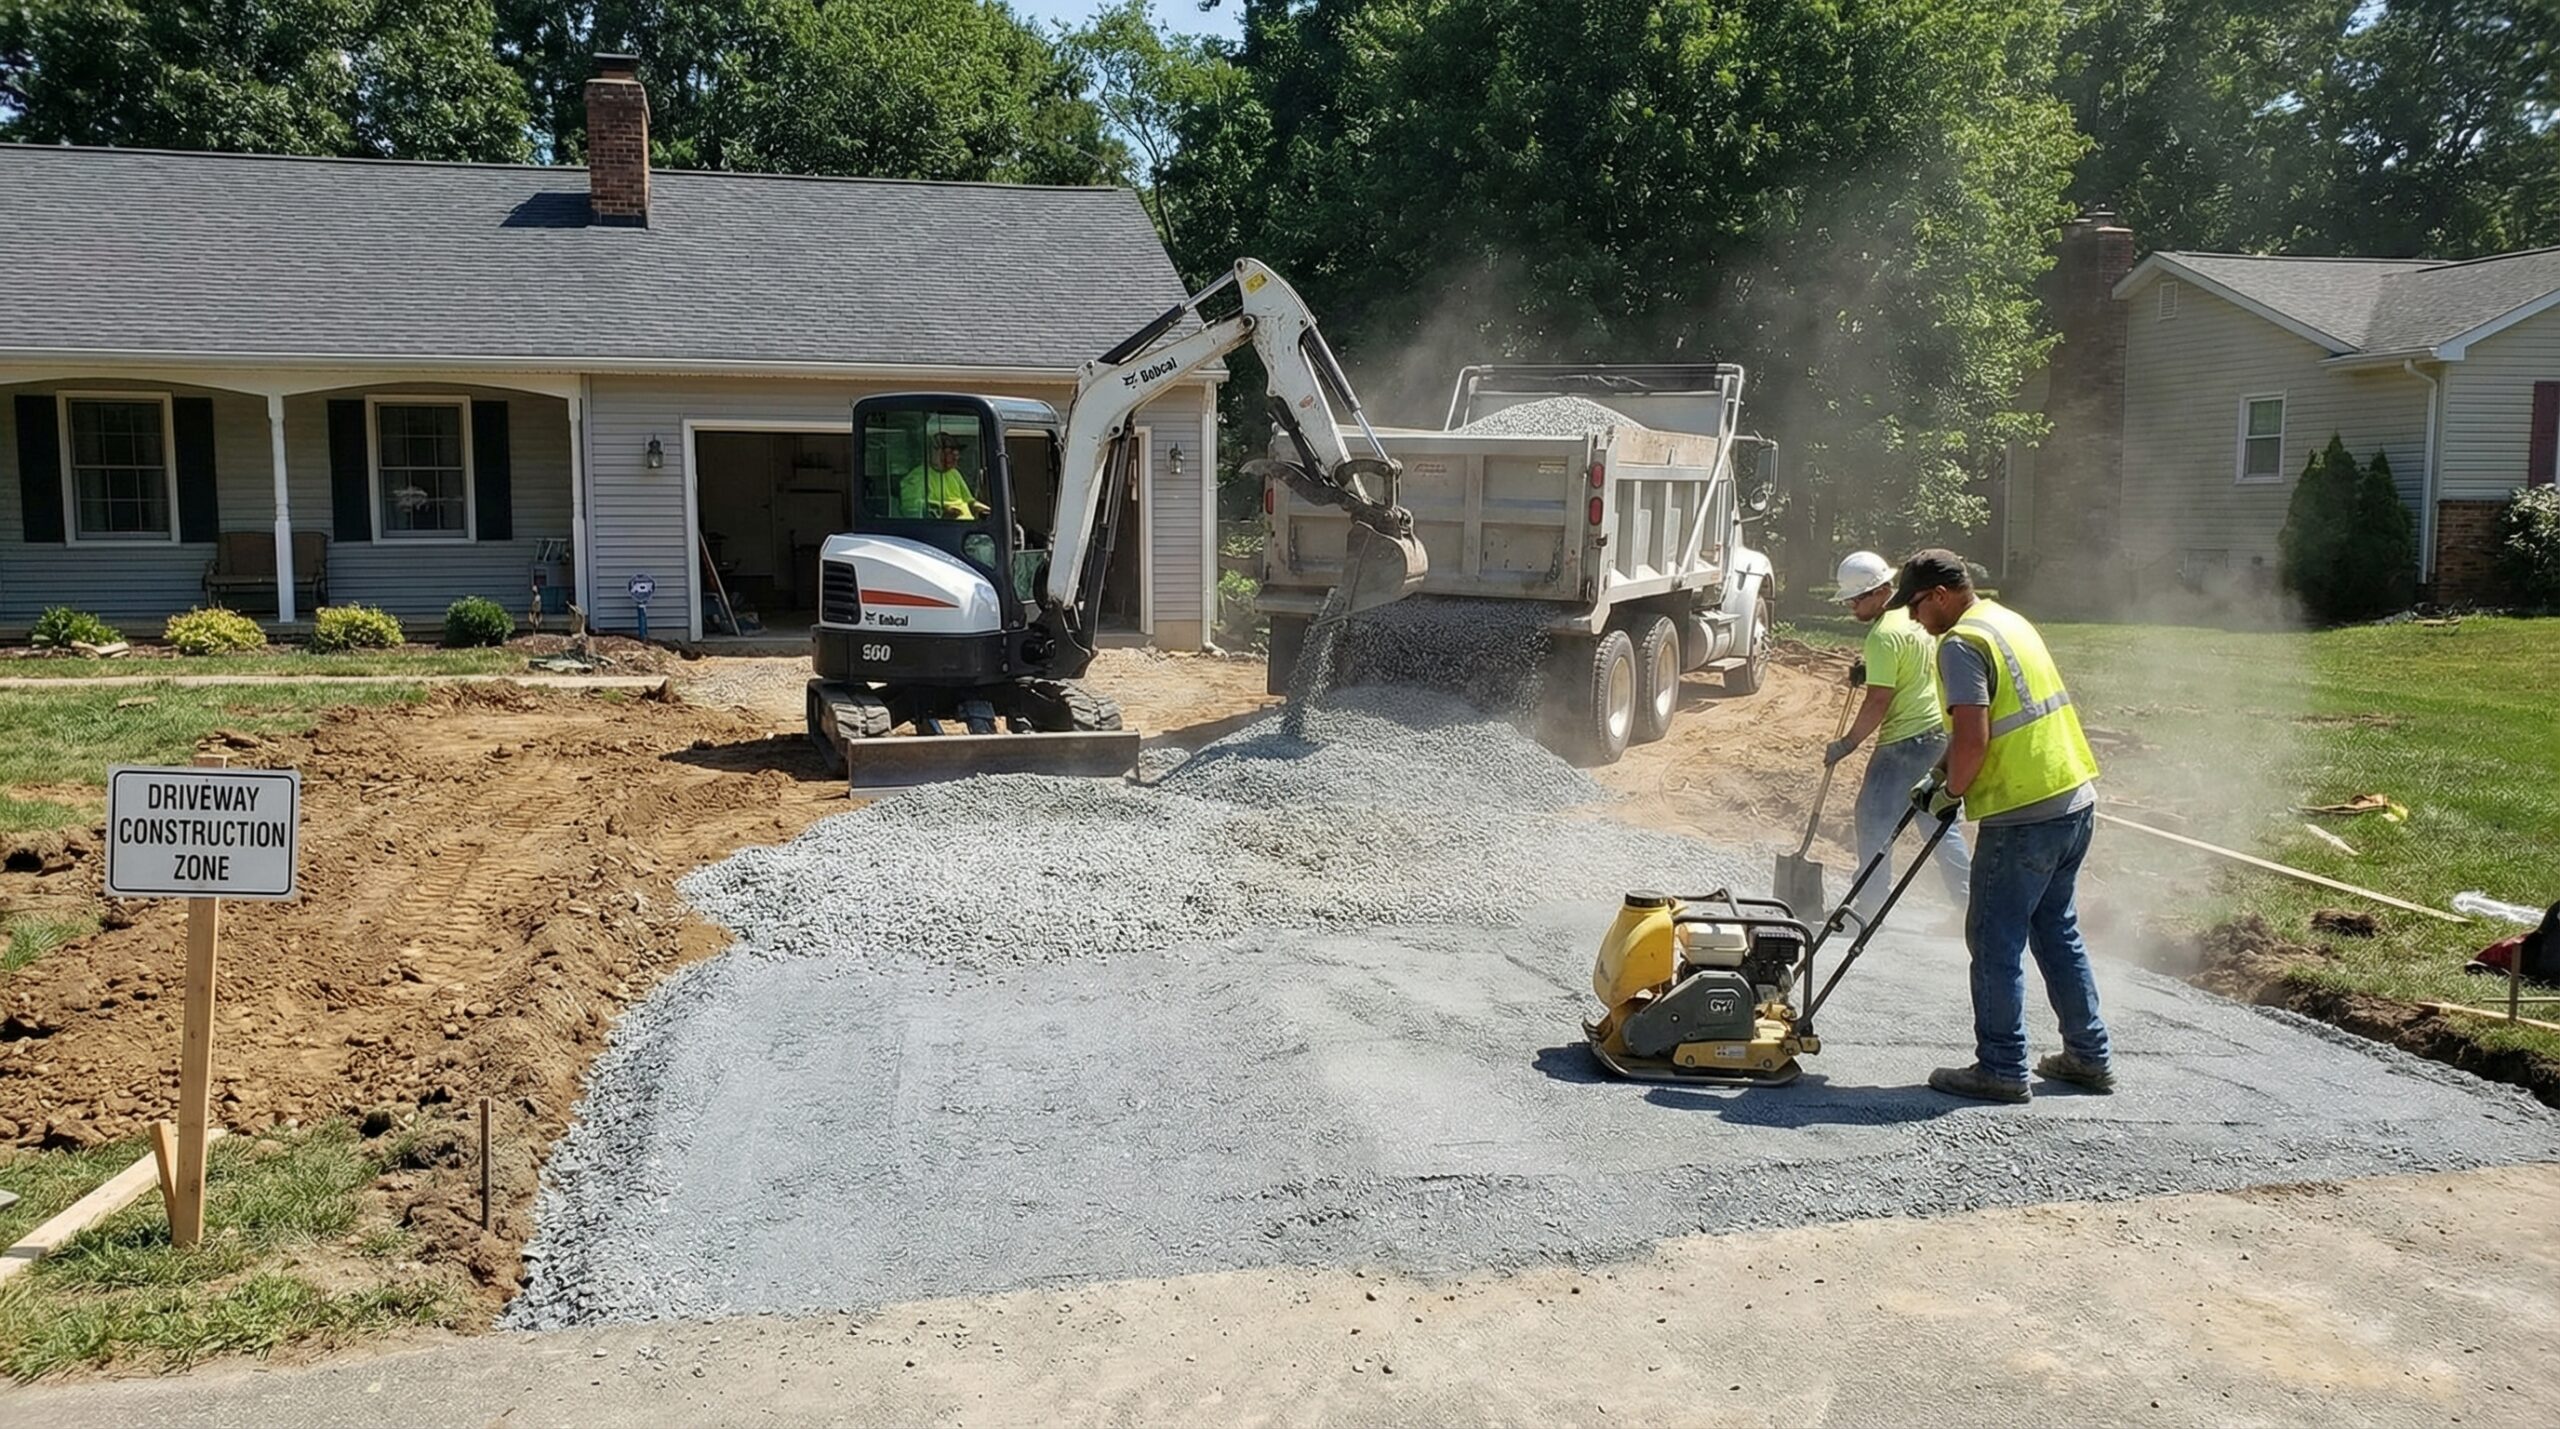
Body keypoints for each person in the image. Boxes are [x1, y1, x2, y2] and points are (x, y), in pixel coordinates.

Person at [1887, 549, 2113, 1103]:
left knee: (1992, 938)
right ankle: (2088, 1056)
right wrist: (1936, 775)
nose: (1914, 619)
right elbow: (1998, 718)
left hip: (2024, 814)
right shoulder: (2007, 622)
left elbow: (1975, 737)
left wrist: (1952, 794)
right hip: (2073, 798)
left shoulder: (1961, 644)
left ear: (1940, 595)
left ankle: (2001, 1066)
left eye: (1915, 607)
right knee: (2054, 928)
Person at [1822, 550, 1972, 919]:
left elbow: (1878, 701)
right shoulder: (1914, 620)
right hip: (1937, 734)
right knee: (1935, 821)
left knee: (1872, 817)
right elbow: (1909, 671)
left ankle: (1869, 908)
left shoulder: (1883, 635)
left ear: (1879, 592)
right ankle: (1970, 906)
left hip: (1905, 742)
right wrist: (1872, 670)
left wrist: (1848, 743)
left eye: (1857, 599)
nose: (1852, 607)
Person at [900, 433, 988, 520]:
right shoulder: (917, 476)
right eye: (949, 452)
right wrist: (942, 512)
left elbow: (969, 500)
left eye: (956, 453)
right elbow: (910, 508)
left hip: (967, 525)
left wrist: (980, 508)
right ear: (934, 453)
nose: (956, 457)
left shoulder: (954, 473)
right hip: (942, 527)